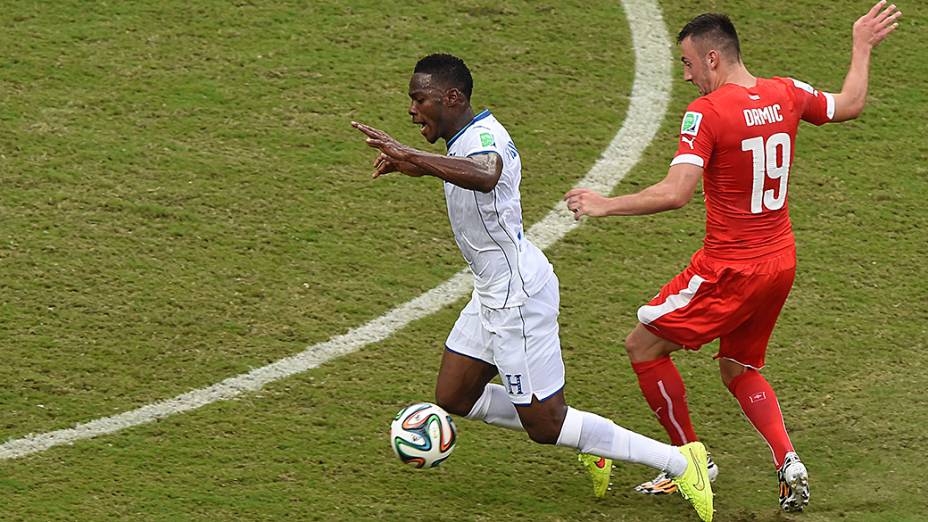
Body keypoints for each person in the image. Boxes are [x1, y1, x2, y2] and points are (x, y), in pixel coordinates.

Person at [564, 2, 900, 513]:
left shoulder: (708, 112)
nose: (686, 74)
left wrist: (604, 204)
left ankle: (688, 462)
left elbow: (677, 191)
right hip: (780, 262)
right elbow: (850, 103)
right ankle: (788, 462)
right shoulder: (786, 92)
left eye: (688, 63)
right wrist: (861, 44)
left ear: (714, 58)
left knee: (643, 347)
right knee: (739, 364)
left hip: (730, 267)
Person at [353, 53, 713, 521]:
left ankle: (680, 462)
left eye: (419, 99)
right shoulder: (466, 136)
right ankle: (588, 438)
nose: (412, 109)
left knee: (546, 425)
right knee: (455, 396)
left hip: (516, 296)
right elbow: (461, 165)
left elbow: (485, 174)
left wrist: (409, 153)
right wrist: (413, 164)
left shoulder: (484, 140)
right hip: (492, 289)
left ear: (452, 97)